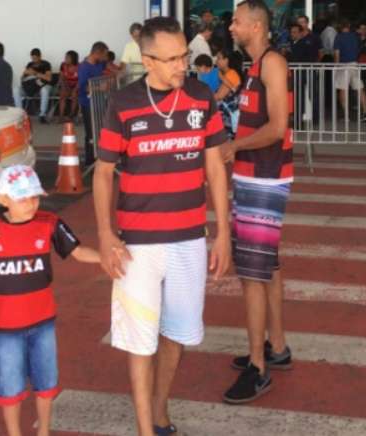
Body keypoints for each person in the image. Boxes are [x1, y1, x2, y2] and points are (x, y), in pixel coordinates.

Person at [93, 16, 230, 436]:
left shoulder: (200, 96)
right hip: (139, 245)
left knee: (178, 334)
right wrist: (105, 234)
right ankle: (145, 429)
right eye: (170, 60)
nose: (180, 67)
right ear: (147, 60)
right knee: (140, 340)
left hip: (189, 238)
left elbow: (215, 165)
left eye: (184, 57)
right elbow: (103, 173)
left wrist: (222, 231)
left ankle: (160, 408)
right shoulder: (124, 103)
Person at [0, 164, 100, 436]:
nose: (31, 204)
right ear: (3, 199)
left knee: (46, 382)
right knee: (9, 387)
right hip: (6, 329)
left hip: (43, 324)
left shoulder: (48, 223)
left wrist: (106, 258)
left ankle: (44, 430)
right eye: (22, 198)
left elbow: (78, 251)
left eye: (35, 197)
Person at [220, 0, 293, 405]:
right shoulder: (252, 67)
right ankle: (276, 347)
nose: (231, 27)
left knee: (251, 273)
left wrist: (235, 147)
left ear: (256, 26)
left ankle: (257, 367)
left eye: (237, 21)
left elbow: (277, 127)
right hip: (255, 174)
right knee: (269, 266)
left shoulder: (271, 63)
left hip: (263, 175)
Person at [77, 41, 108, 167]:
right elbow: (84, 88)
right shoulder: (84, 68)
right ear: (97, 53)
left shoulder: (100, 64)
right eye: (104, 55)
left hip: (99, 102)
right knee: (91, 132)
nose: (105, 58)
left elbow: (110, 67)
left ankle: (99, 157)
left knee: (100, 130)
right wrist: (99, 88)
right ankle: (90, 161)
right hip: (88, 104)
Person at [334, 21, 366, 121]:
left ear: (340, 27)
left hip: (343, 65)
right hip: (354, 64)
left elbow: (337, 53)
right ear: (349, 26)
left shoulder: (339, 37)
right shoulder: (355, 36)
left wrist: (336, 67)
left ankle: (346, 115)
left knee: (343, 89)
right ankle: (365, 112)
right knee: (359, 89)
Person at [214, 47, 243, 138]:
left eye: (219, 58)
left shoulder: (231, 74)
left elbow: (219, 96)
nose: (216, 61)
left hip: (228, 118)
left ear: (226, 60)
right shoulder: (227, 74)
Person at [21, 48, 53, 123]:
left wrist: (35, 73)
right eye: (32, 58)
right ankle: (20, 114)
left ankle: (42, 115)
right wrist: (25, 74)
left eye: (35, 58)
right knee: (15, 89)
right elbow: (22, 78)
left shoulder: (46, 64)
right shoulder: (30, 64)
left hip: (43, 86)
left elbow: (49, 78)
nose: (34, 60)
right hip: (31, 86)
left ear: (40, 57)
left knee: (44, 90)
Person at [58, 50, 79, 121]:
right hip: (66, 85)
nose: (65, 59)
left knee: (74, 96)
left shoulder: (79, 66)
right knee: (62, 95)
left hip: (76, 85)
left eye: (67, 57)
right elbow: (61, 78)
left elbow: (81, 80)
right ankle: (61, 116)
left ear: (73, 58)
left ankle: (71, 115)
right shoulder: (63, 65)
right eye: (65, 57)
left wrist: (75, 89)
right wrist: (64, 87)